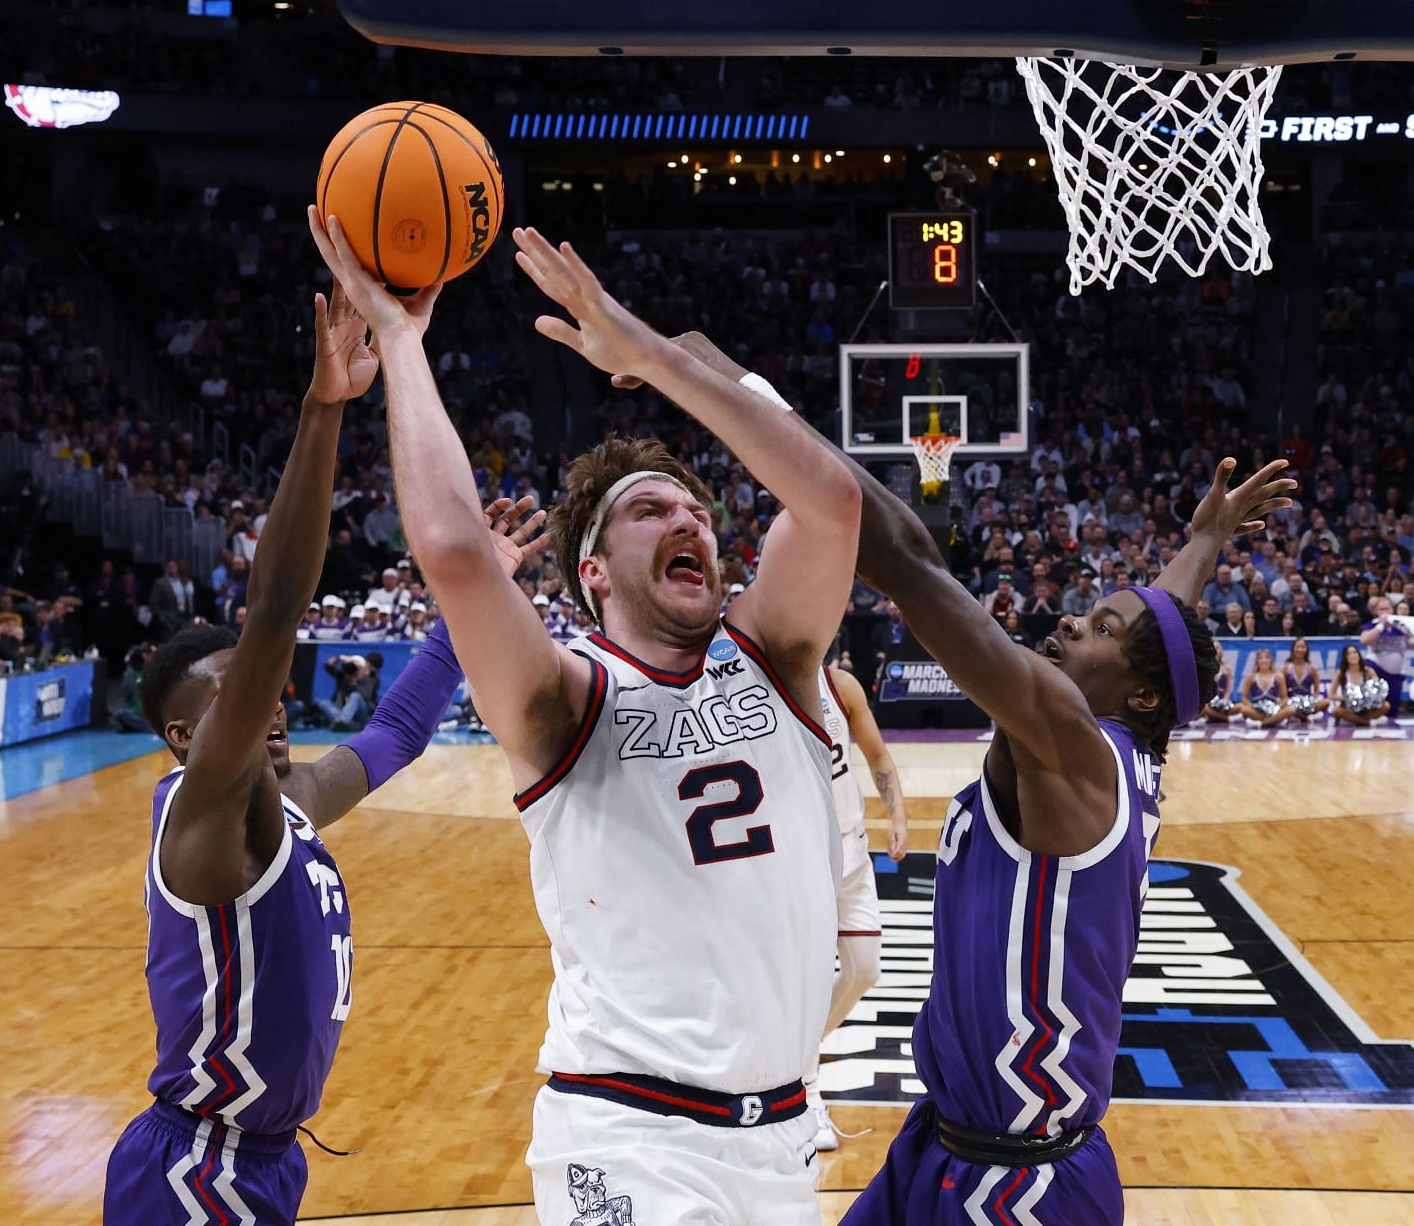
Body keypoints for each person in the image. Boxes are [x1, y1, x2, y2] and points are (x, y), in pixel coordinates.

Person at [646, 328, 1285, 1223]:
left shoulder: (1067, 740)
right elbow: (1157, 629)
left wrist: (717, 381)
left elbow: (901, 552)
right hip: (946, 1146)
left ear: (1136, 690)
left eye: (1098, 627)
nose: (1069, 622)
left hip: (1019, 1188)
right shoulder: (1121, 742)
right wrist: (1208, 539)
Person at [312, 210, 861, 1222]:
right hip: (630, 1133)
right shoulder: (567, 700)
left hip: (783, 1136)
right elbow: (459, 557)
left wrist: (648, 357)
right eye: (652, 512)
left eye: (697, 510)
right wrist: (399, 341)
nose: (689, 519)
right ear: (594, 572)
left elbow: (831, 502)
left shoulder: (775, 657)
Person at [102, 286, 539, 1226]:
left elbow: (396, 735)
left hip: (257, 1161)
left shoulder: (282, 799)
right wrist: (324, 408)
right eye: (234, 695)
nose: (266, 703)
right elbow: (274, 612)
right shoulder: (204, 820)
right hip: (196, 1172)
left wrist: (477, 597)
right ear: (183, 738)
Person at [809, 662, 910, 1152]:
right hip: (801, 855)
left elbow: (876, 754)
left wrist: (897, 814)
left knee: (865, 969)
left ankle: (794, 1053)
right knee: (803, 980)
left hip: (852, 846)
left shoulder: (840, 683)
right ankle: (806, 1091)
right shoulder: (758, 683)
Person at [1357, 595, 1414, 717]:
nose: (1384, 612)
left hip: (1395, 674)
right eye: (1381, 610)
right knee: (1373, 702)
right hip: (1377, 669)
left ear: (1392, 610)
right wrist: (1381, 626)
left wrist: (1409, 636)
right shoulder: (1373, 625)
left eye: (1386, 609)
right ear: (1376, 612)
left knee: (1392, 711)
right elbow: (1364, 640)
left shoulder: (1401, 627)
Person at [1330, 641, 1387, 726]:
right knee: (1336, 711)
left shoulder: (1368, 671)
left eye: (1355, 652)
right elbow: (1331, 695)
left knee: (1386, 706)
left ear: (1359, 654)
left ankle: (1357, 720)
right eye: (1349, 654)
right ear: (1345, 657)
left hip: (1365, 707)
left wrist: (1368, 697)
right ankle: (1366, 721)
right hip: (1349, 707)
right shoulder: (1341, 673)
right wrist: (1347, 698)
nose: (1353, 655)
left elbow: (1379, 690)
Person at [1237, 645, 1290, 727]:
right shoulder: (1251, 677)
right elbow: (1244, 698)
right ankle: (1274, 720)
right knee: (1243, 709)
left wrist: (1277, 708)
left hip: (1273, 708)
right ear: (1257, 661)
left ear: (1271, 661)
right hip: (1257, 709)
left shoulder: (1279, 676)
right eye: (1260, 658)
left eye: (1266, 658)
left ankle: (1260, 723)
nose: (1264, 660)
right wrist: (1252, 707)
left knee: (1290, 710)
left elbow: (1285, 698)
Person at [1282, 636, 1326, 726]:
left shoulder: (1311, 668)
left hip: (1307, 701)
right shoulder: (1286, 667)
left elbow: (1317, 691)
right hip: (1291, 701)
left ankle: (1298, 715)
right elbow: (1281, 690)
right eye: (1298, 647)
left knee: (1326, 702)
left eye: (1303, 647)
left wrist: (1313, 699)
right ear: (1293, 649)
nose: (1300, 650)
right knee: (1283, 705)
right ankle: (1305, 716)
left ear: (1306, 650)